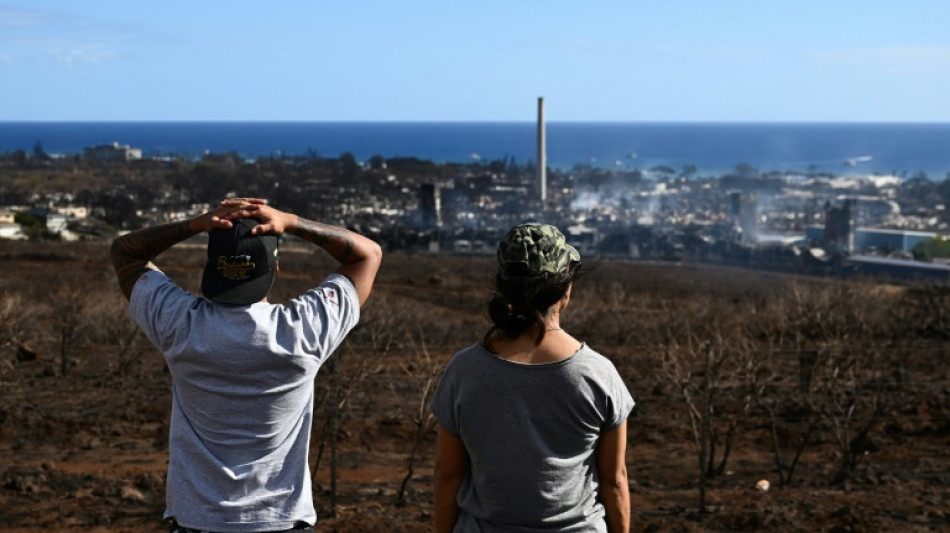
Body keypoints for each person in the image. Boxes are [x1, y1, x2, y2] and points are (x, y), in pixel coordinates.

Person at [110, 198, 382, 533]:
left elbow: (125, 251)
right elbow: (367, 254)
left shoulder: (179, 324)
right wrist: (290, 222)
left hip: (197, 522)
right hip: (281, 522)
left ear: (210, 268)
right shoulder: (303, 330)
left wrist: (196, 225)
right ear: (276, 268)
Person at [430, 223, 635, 533]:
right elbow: (614, 479)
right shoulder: (597, 373)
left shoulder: (465, 369)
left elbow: (447, 474)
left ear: (502, 287)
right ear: (565, 291)